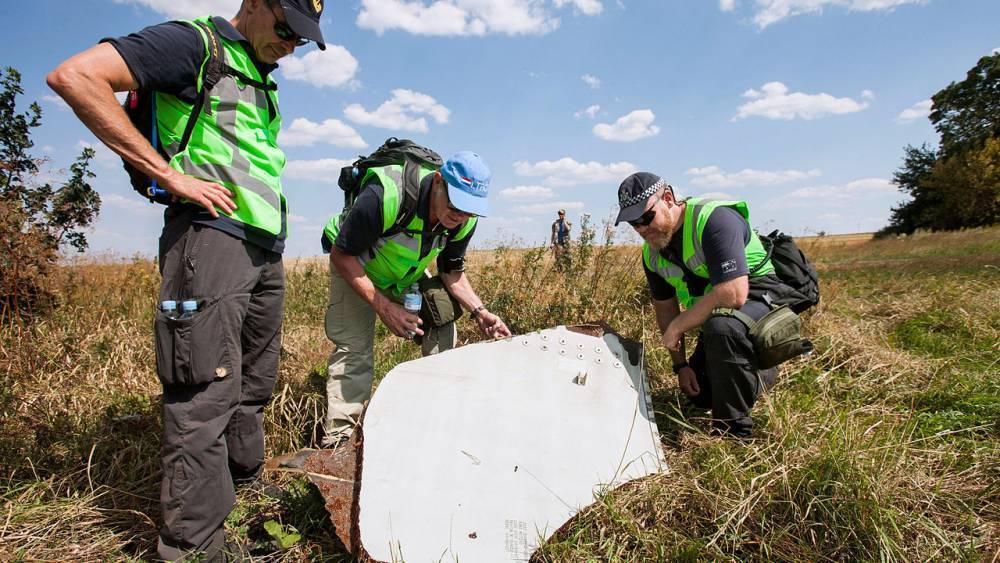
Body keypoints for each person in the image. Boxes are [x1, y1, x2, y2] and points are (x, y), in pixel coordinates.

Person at [47, 1, 326, 559]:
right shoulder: (196, 46)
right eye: (287, 28)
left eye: (303, 37)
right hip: (210, 237)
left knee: (252, 382)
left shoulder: (259, 77)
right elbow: (75, 76)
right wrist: (169, 174)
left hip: (261, 245)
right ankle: (193, 546)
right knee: (203, 389)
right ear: (256, 4)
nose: (293, 44)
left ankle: (244, 485)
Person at [319, 151, 512, 447]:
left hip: (403, 275)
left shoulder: (463, 221)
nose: (459, 216)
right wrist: (384, 308)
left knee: (443, 317)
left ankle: (436, 414)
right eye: (455, 204)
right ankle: (339, 441)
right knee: (355, 348)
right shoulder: (386, 195)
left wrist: (480, 311)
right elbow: (341, 254)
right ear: (438, 181)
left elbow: (451, 273)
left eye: (469, 210)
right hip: (356, 265)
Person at [615, 172, 785, 437]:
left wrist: (678, 327)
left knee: (723, 327)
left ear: (668, 198)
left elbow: (733, 295)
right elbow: (666, 310)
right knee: (702, 394)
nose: (642, 229)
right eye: (634, 224)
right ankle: (750, 372)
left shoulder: (713, 219)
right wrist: (680, 366)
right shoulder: (652, 255)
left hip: (760, 297)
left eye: (647, 217)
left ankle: (733, 432)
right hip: (717, 313)